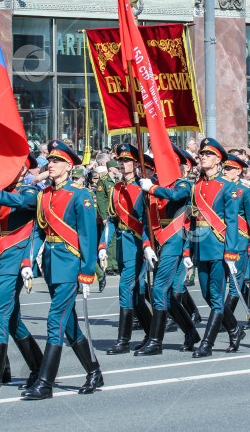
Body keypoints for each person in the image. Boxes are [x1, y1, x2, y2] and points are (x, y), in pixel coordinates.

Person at [22, 140, 102, 400]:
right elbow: (39, 230)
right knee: (68, 325)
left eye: (56, 161)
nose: (51, 165)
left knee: (55, 319)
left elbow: (88, 236)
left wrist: (88, 272)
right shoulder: (44, 195)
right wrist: (29, 261)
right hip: (52, 265)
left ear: (69, 165)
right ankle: (93, 371)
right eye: (50, 161)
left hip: (71, 264)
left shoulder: (81, 195)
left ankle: (45, 382)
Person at [0, 154, 44, 397]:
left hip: (16, 260)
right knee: (12, 320)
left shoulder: (30, 190)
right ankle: (38, 367)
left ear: (23, 170)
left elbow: (24, 202)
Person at [134, 144, 201, 355]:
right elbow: (145, 218)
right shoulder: (153, 185)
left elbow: (177, 197)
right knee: (167, 294)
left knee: (160, 289)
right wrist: (146, 245)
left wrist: (151, 188)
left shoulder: (183, 184)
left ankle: (156, 340)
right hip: (157, 243)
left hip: (175, 242)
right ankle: (191, 331)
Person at [187, 138, 241, 357]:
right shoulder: (197, 186)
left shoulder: (228, 187)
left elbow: (233, 222)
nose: (202, 157)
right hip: (201, 247)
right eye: (201, 154)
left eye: (207, 155)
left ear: (218, 160)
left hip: (218, 247)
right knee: (208, 295)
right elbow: (192, 219)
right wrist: (188, 250)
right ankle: (235, 329)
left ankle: (207, 344)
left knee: (216, 296)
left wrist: (231, 251)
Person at [101, 145, 153, 354]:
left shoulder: (143, 187)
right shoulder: (116, 189)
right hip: (123, 244)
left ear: (136, 164)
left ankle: (123, 340)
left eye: (127, 160)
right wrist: (103, 245)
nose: (123, 164)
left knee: (126, 288)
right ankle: (152, 334)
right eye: (120, 160)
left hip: (138, 244)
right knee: (136, 294)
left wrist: (148, 245)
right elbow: (112, 220)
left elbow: (148, 222)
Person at [219, 154, 250, 351]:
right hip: (222, 241)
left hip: (241, 242)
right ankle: (245, 317)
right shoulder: (221, 188)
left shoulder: (246, 192)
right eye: (224, 168)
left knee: (235, 286)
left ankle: (226, 322)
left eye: (229, 169)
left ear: (238, 171)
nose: (225, 171)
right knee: (231, 284)